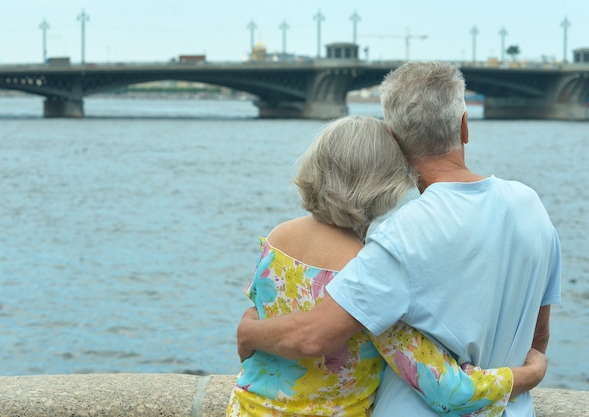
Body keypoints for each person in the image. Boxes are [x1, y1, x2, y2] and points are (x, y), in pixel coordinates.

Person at [236, 62, 560, 417]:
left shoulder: (399, 236)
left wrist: (248, 333)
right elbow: (536, 337)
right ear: (465, 126)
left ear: (393, 139)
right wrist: (531, 373)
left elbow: (312, 335)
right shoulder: (532, 206)